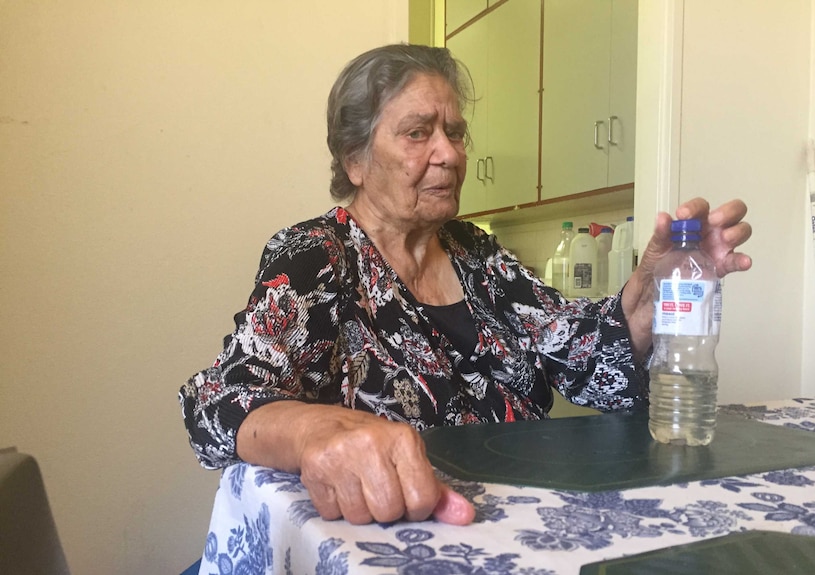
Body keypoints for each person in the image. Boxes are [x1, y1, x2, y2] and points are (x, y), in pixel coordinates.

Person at [179, 44, 752, 527]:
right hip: (395, 542)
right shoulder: (316, 258)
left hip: (522, 527)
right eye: (417, 133)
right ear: (354, 159)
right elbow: (219, 404)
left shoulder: (478, 254)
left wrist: (653, 290)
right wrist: (314, 432)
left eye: (455, 132)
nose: (450, 153)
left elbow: (578, 351)